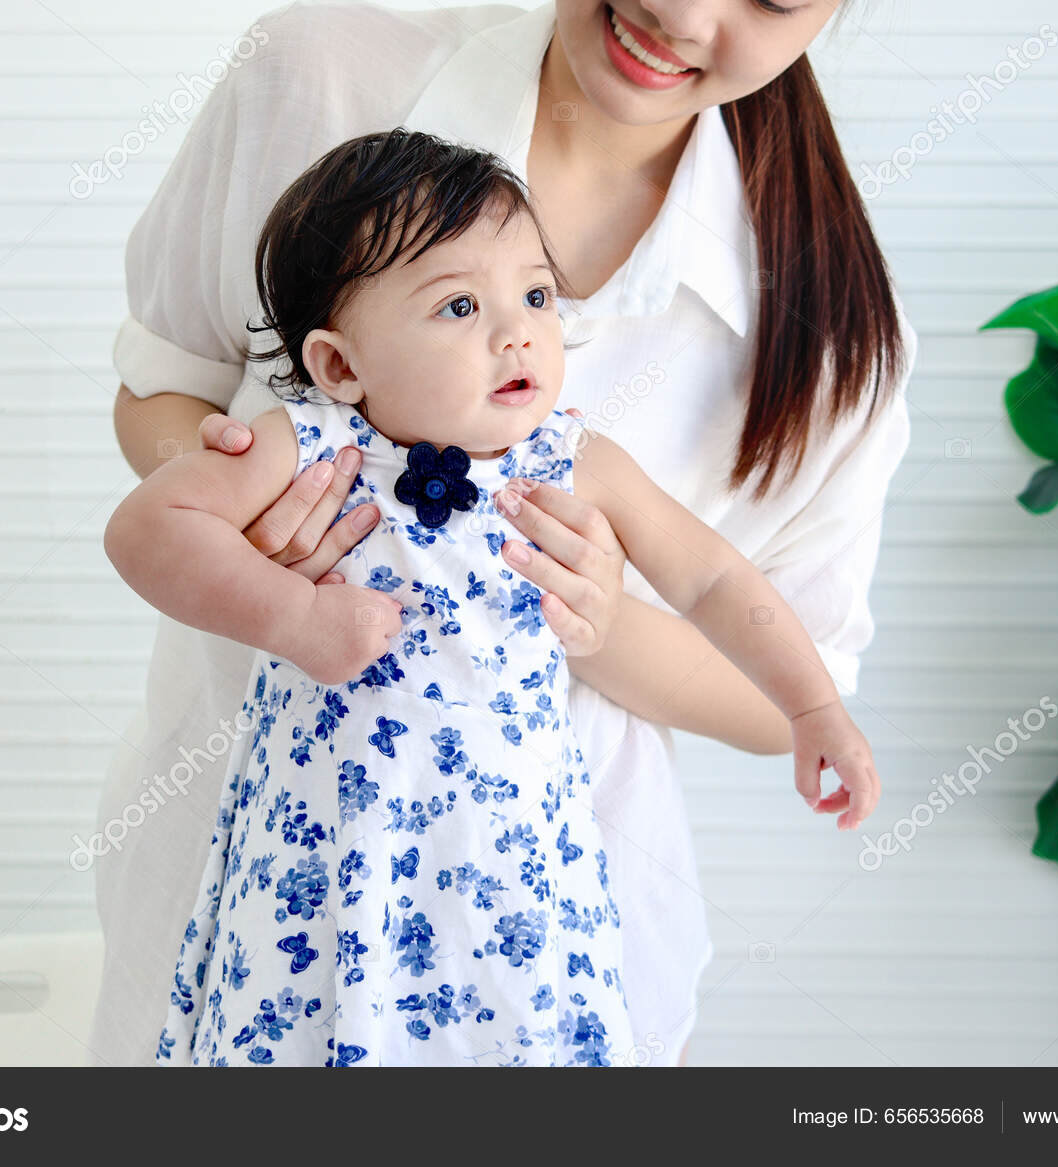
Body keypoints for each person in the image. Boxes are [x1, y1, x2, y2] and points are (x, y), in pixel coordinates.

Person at [93, 0, 916, 1067]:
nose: (680, 11)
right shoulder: (321, 69)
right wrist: (265, 572)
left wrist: (607, 619)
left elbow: (732, 608)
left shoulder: (817, 335)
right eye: (457, 306)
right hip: (284, 891)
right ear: (338, 363)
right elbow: (159, 416)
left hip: (537, 933)